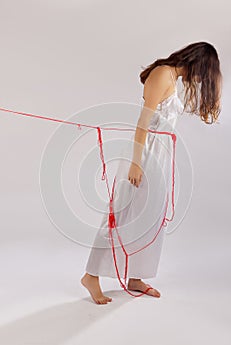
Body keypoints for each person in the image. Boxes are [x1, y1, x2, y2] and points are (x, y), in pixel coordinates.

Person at [81, 41, 222, 304]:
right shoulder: (163, 73)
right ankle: (91, 276)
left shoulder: (173, 77)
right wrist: (136, 163)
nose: (202, 77)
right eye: (204, 70)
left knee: (150, 218)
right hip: (144, 154)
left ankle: (136, 276)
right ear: (195, 61)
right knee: (121, 215)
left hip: (160, 155)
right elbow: (142, 122)